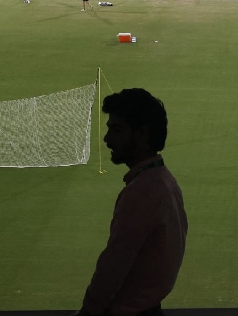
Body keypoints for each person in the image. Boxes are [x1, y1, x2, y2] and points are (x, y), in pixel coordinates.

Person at [79, 88, 187, 316]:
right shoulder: (166, 181)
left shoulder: (142, 193)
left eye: (116, 130)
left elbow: (113, 266)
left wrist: (88, 312)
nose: (107, 139)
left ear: (141, 134)